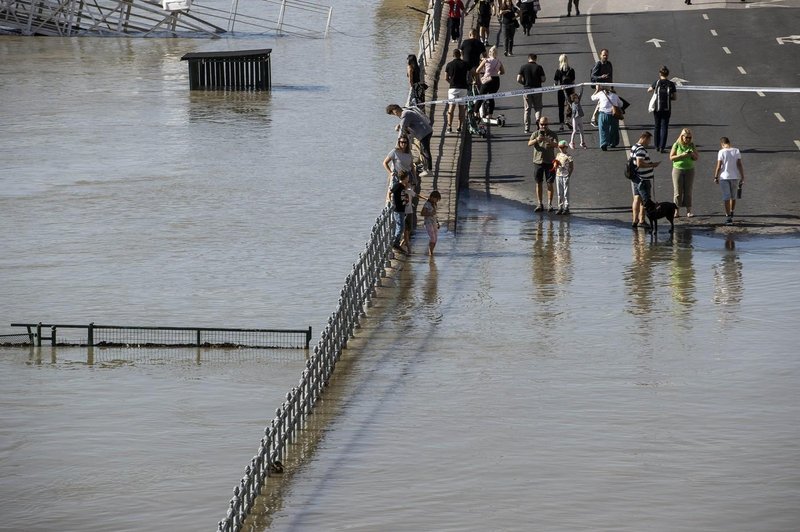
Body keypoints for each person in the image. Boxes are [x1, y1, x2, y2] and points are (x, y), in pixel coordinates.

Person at [386, 103, 433, 176]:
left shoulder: (405, 114)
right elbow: (404, 123)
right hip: (425, 131)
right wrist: (399, 125)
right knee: (423, 150)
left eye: (393, 114)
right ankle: (425, 167)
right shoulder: (405, 111)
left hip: (424, 133)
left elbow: (402, 129)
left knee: (425, 151)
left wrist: (399, 143)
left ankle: (429, 170)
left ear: (395, 111)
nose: (395, 115)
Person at [527, 116, 559, 212]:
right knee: (539, 183)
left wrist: (549, 141)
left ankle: (549, 204)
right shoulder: (535, 133)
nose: (544, 126)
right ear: (538, 124)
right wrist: (537, 139)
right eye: (542, 124)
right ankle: (540, 203)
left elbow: (557, 145)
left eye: (545, 124)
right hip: (538, 162)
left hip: (549, 162)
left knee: (550, 183)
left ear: (548, 124)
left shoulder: (552, 134)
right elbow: (529, 143)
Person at [630, 131, 661, 228]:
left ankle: (635, 220)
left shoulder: (634, 147)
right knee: (645, 201)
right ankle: (642, 220)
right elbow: (639, 163)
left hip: (636, 178)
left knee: (636, 198)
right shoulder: (641, 150)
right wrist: (652, 165)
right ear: (644, 138)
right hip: (643, 179)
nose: (649, 142)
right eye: (649, 140)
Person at [713, 136, 744, 225]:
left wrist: (716, 177)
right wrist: (742, 176)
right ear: (729, 143)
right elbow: (739, 164)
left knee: (726, 197)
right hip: (735, 177)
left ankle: (728, 217)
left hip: (724, 177)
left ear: (722, 144)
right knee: (733, 197)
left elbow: (719, 166)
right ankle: (732, 211)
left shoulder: (721, 152)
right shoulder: (736, 150)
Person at [669, 128, 699, 217]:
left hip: (690, 169)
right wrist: (682, 155)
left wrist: (692, 154)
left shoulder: (692, 145)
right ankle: (676, 211)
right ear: (682, 137)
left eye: (690, 137)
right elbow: (671, 157)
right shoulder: (677, 144)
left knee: (688, 190)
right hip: (678, 169)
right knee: (678, 191)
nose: (688, 139)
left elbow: (696, 157)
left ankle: (688, 211)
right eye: (686, 137)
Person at [647, 66, 677, 153]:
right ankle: (662, 147)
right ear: (668, 74)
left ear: (660, 74)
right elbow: (675, 98)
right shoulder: (671, 84)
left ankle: (656, 145)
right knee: (664, 127)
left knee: (657, 126)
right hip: (667, 109)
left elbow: (649, 90)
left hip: (657, 108)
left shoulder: (657, 82)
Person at [382, 135, 417, 201]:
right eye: (402, 142)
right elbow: (384, 163)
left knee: (407, 194)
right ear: (399, 143)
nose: (403, 144)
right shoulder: (394, 152)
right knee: (396, 194)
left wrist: (415, 177)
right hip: (398, 176)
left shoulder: (409, 153)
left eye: (405, 142)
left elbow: (412, 166)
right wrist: (390, 172)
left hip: (408, 176)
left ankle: (407, 208)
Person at [517, 53, 545, 133]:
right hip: (537, 90)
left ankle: (526, 128)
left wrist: (524, 83)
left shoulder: (523, 67)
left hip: (527, 90)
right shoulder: (539, 67)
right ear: (535, 59)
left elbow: (518, 79)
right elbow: (543, 79)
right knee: (538, 107)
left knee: (527, 109)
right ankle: (538, 121)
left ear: (528, 58)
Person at [475, 47, 504, 120]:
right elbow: (503, 72)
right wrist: (498, 72)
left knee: (480, 97)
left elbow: (477, 70)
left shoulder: (486, 60)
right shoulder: (499, 61)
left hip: (487, 80)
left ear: (489, 53)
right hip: (496, 80)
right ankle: (490, 114)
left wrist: (485, 70)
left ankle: (476, 112)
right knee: (491, 97)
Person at [445, 49, 470, 133]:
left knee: (451, 107)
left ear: (453, 55)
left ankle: (449, 126)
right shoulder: (465, 64)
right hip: (463, 88)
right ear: (460, 55)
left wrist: (451, 82)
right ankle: (459, 127)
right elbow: (470, 73)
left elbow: (446, 78)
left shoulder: (449, 65)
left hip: (453, 88)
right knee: (461, 108)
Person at [590, 85, 622, 151]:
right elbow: (621, 104)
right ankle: (613, 143)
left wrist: (597, 90)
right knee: (614, 129)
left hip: (603, 114)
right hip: (613, 115)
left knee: (603, 129)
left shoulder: (601, 94)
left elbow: (592, 98)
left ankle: (604, 143)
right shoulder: (615, 95)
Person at [589, 48, 613, 127]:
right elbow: (593, 76)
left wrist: (612, 86)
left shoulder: (609, 64)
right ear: (600, 55)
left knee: (606, 102)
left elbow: (611, 75)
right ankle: (594, 119)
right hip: (600, 86)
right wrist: (601, 77)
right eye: (604, 55)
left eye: (606, 55)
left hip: (607, 86)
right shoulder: (598, 64)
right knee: (601, 102)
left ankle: (596, 119)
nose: (605, 56)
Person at [553, 53, 576, 131]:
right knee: (569, 106)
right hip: (570, 90)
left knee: (561, 107)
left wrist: (555, 85)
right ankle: (568, 120)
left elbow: (555, 82)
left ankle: (561, 125)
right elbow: (573, 82)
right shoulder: (571, 70)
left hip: (561, 90)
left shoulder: (558, 71)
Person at [553, 140, 574, 214]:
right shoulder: (558, 154)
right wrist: (555, 165)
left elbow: (571, 167)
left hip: (565, 175)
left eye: (562, 147)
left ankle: (566, 207)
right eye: (559, 147)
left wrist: (569, 175)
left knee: (566, 192)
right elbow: (555, 162)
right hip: (558, 174)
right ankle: (560, 207)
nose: (561, 149)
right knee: (559, 192)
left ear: (566, 147)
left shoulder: (569, 156)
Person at [391, 172, 410, 251]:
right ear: (405, 178)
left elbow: (403, 195)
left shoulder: (402, 186)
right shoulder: (398, 185)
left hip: (402, 209)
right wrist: (391, 200)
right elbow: (391, 192)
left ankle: (396, 242)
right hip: (398, 209)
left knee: (401, 226)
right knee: (400, 227)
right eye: (408, 177)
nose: (408, 179)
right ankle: (395, 243)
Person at [421, 190, 442, 255]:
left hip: (434, 222)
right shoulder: (427, 204)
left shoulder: (434, 204)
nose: (437, 201)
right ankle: (430, 252)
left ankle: (431, 251)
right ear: (432, 197)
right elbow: (422, 213)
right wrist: (430, 213)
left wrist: (437, 222)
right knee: (432, 238)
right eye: (436, 199)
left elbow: (435, 215)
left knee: (435, 238)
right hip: (428, 223)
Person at [400, 173, 417, 252]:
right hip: (404, 212)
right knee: (406, 230)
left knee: (409, 229)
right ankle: (408, 248)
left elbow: (414, 195)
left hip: (410, 211)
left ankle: (403, 243)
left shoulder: (409, 191)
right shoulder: (402, 190)